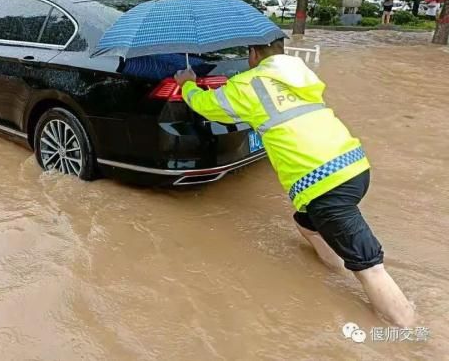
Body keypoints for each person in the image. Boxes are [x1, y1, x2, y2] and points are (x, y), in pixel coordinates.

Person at [174, 39, 416, 327]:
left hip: (323, 182)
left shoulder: (249, 84)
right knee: (305, 223)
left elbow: (207, 106)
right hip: (355, 167)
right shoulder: (300, 72)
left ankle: (409, 332)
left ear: (253, 54)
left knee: (370, 267)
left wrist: (188, 84)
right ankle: (335, 268)